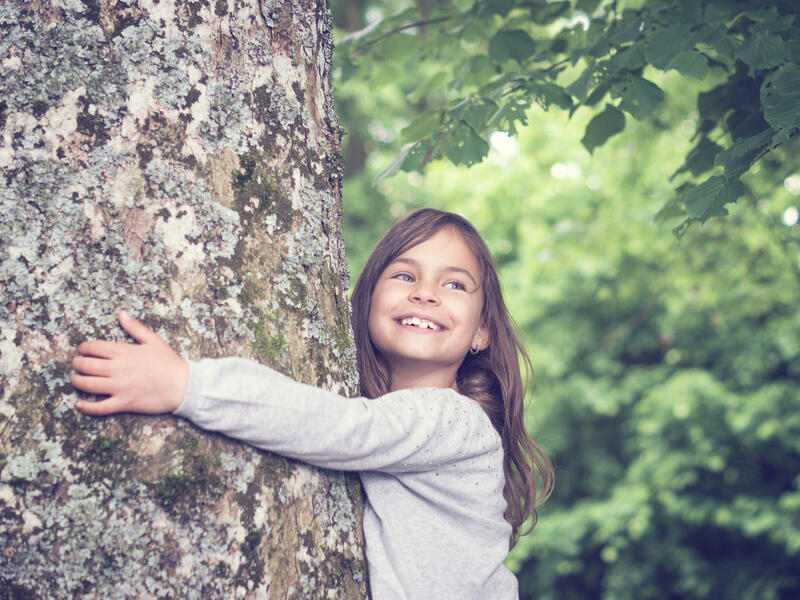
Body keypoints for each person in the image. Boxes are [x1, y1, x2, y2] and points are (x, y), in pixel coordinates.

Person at [71, 208, 554, 599]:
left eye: (454, 284)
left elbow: (343, 428)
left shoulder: (455, 420)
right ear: (366, 303)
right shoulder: (399, 416)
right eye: (404, 274)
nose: (425, 293)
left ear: (482, 332)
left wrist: (185, 385)